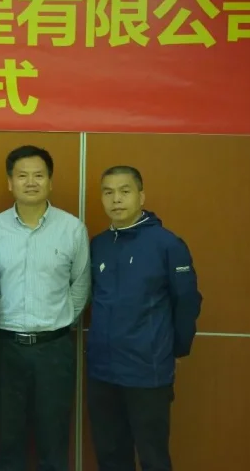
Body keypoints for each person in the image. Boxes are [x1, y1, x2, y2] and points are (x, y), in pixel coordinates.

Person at [0, 145, 90, 471]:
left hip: (54, 350)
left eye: (39, 175)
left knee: (53, 437)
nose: (31, 182)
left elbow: (80, 286)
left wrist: (57, 322)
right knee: (6, 436)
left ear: (50, 182)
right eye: (22, 175)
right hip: (4, 348)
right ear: (9, 182)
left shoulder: (72, 229)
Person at [87, 165, 202, 471]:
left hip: (147, 372)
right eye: (108, 192)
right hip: (102, 372)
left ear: (141, 196)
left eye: (125, 191)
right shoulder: (98, 244)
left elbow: (187, 301)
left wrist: (174, 349)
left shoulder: (167, 244)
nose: (116, 199)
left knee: (153, 458)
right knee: (110, 457)